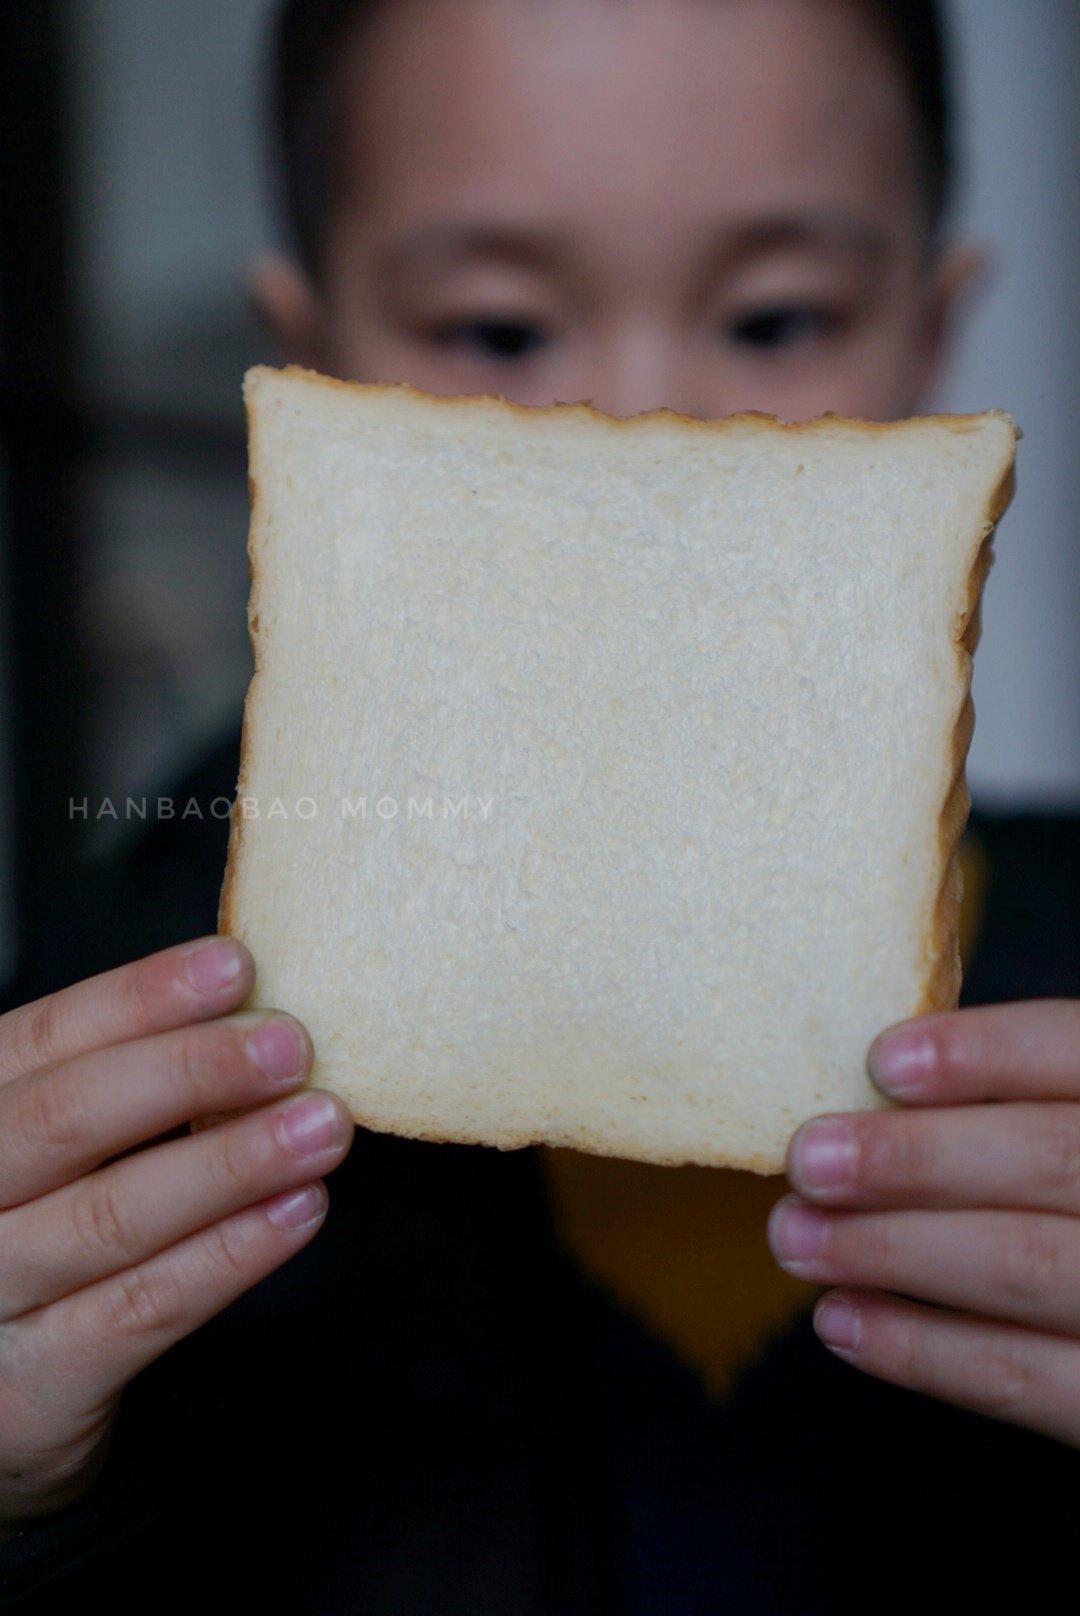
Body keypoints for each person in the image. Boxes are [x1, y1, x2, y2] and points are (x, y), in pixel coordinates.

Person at [1, 1, 1078, 1609]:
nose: (644, 432)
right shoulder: (107, 1041)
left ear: (932, 343)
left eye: (779, 319)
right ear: (302, 383)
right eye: (498, 335)